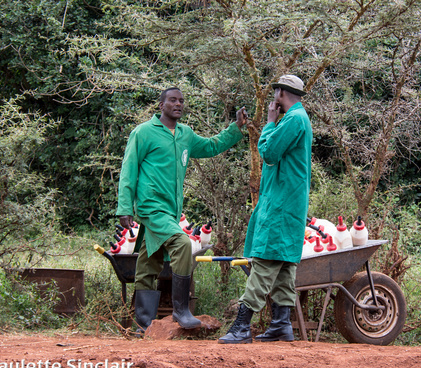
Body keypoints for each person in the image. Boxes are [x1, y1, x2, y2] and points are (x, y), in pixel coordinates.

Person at [116, 87, 247, 333]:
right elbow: (128, 169)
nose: (178, 104)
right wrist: (125, 207)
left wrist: (235, 128)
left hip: (171, 211)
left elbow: (211, 146)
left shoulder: (185, 134)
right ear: (161, 105)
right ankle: (181, 310)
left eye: (181, 101)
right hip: (151, 207)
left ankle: (142, 325)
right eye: (173, 100)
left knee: (148, 262)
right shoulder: (143, 133)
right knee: (182, 244)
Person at [218, 75, 313, 344]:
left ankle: (241, 327)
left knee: (265, 262)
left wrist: (270, 123)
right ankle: (282, 324)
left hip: (282, 203)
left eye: (275, 95)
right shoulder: (297, 119)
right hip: (289, 202)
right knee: (284, 267)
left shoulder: (293, 119)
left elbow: (269, 153)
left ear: (280, 93)